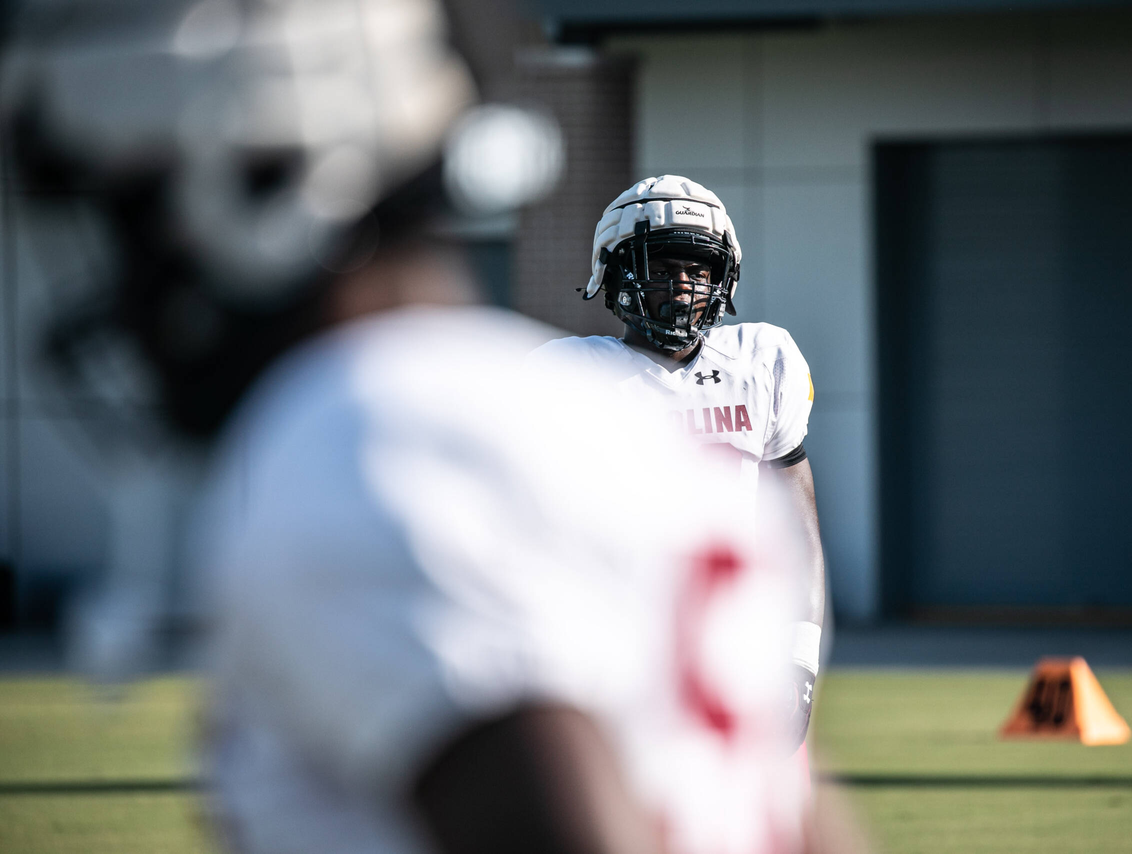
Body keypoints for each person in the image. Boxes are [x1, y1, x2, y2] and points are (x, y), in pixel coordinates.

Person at [2, 3, 822, 854]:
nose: (126, 282)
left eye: (135, 215)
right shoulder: (557, 411)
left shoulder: (370, 446)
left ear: (258, 190)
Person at [529, 175, 827, 753]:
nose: (683, 286)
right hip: (610, 649)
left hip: (730, 647)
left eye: (698, 270)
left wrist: (798, 659)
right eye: (662, 269)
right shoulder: (567, 375)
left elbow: (797, 526)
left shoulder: (761, 360)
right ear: (613, 275)